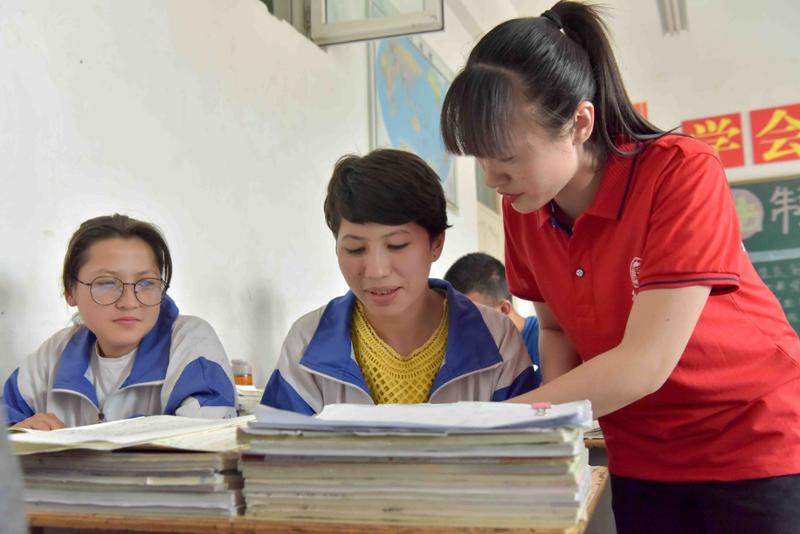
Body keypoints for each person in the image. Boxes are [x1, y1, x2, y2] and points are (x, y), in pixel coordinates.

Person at [439, 2, 800, 533]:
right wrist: (557, 427)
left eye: (507, 156)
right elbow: (556, 329)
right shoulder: (523, 206)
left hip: (751, 439)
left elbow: (645, 363)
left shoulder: (680, 173)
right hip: (641, 452)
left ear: (580, 123)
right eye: (480, 158)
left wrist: (496, 422)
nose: (493, 177)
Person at [261, 149, 536, 415]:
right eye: (355, 249)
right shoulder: (307, 342)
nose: (376, 271)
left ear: (436, 244)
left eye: (397, 245)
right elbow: (280, 444)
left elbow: (524, 442)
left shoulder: (496, 339)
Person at [3, 214, 237, 429]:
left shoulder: (190, 343)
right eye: (107, 283)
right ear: (70, 291)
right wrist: (18, 434)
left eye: (146, 283)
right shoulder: (56, 354)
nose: (129, 302)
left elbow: (204, 441)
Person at [444, 252, 541, 387]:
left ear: (504, 309)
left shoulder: (548, 339)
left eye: (474, 318)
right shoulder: (474, 355)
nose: (465, 330)